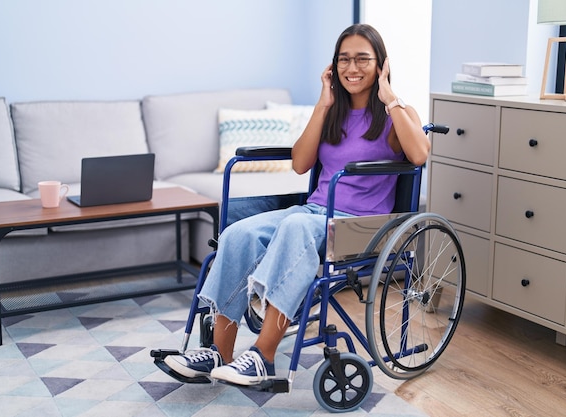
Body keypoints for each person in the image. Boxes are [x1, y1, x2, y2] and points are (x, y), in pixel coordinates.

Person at [164, 23, 430, 386]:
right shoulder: (332, 113)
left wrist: (390, 97)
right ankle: (219, 353)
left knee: (295, 227)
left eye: (363, 60)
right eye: (344, 60)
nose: (352, 68)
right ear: (333, 67)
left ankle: (263, 355)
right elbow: (300, 163)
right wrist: (323, 105)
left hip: (361, 225)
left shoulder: (398, 113)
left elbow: (418, 154)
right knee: (238, 234)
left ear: (381, 64)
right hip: (314, 212)